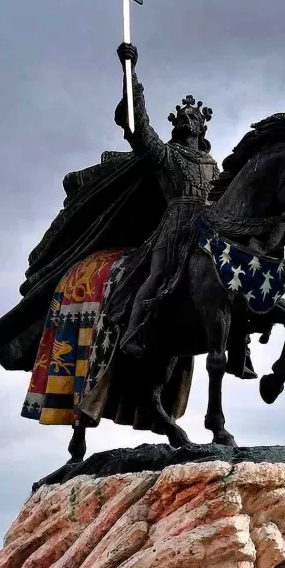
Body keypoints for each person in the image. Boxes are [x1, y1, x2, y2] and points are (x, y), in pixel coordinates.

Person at [109, 42, 218, 358]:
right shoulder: (167, 155)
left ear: (202, 127)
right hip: (175, 224)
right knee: (159, 274)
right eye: (181, 116)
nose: (186, 118)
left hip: (209, 227)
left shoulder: (213, 165)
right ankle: (132, 331)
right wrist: (131, 73)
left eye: (192, 116)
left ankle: (240, 342)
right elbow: (139, 130)